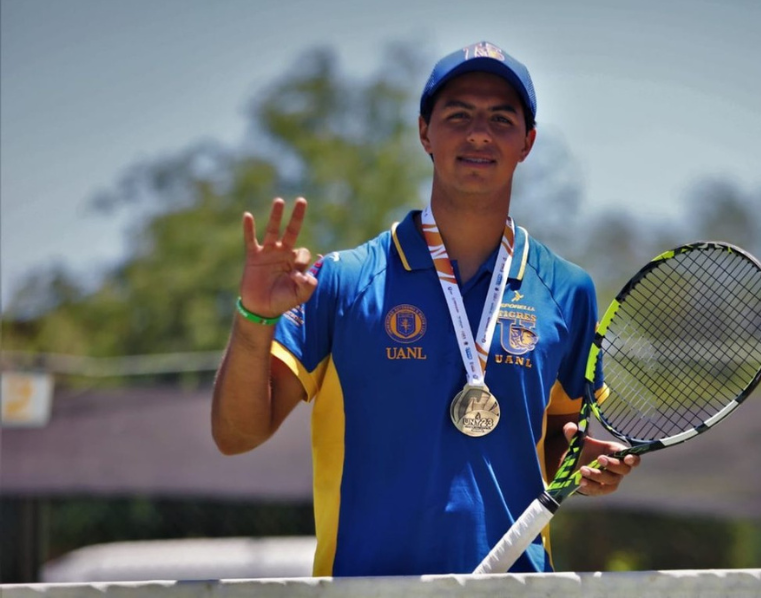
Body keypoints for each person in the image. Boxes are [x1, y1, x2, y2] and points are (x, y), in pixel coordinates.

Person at [211, 40, 639, 577]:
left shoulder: (566, 288)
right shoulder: (343, 281)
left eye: (501, 119)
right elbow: (237, 435)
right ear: (424, 133)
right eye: (458, 115)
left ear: (527, 142)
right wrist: (253, 317)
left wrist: (585, 465)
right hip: (368, 591)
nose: (479, 132)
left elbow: (557, 438)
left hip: (517, 590)